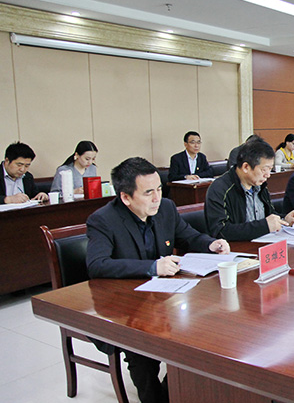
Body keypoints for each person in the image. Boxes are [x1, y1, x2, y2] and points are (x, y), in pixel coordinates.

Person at [86, 157, 230, 403]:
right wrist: (152, 267)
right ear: (126, 197)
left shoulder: (166, 208)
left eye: (159, 189)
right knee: (141, 350)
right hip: (124, 305)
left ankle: (181, 388)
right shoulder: (103, 220)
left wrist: (211, 244)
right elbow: (97, 264)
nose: (157, 198)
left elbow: (188, 236)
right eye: (148, 192)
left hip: (162, 298)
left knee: (204, 331)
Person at [205, 140, 294, 240]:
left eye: (270, 169)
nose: (268, 175)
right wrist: (263, 227)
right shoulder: (220, 189)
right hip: (237, 247)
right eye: (264, 169)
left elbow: (269, 215)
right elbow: (220, 231)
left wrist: (284, 219)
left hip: (264, 243)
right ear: (246, 167)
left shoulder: (260, 186)